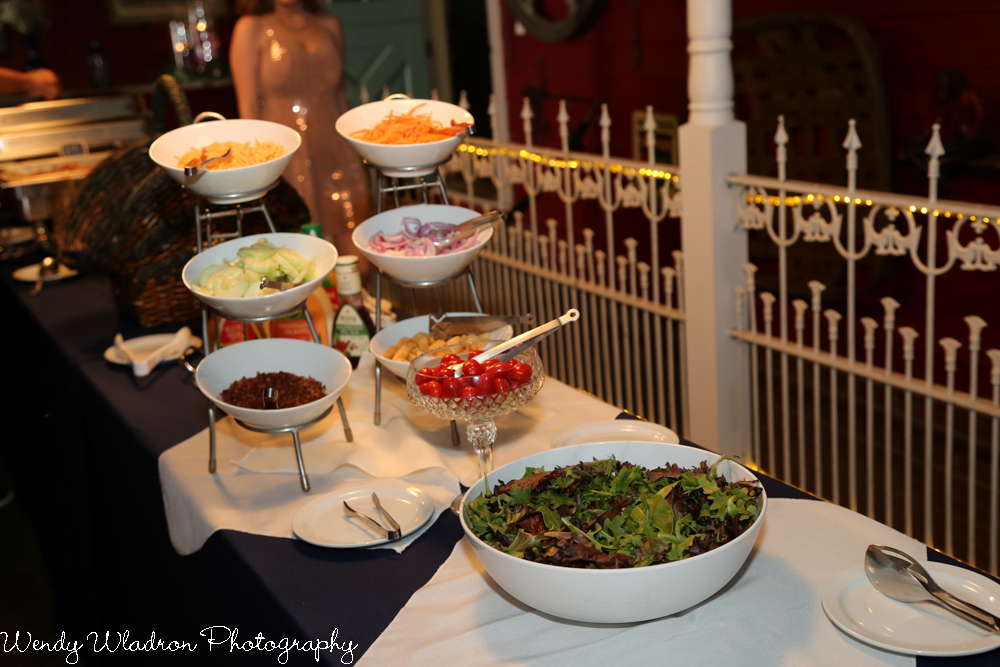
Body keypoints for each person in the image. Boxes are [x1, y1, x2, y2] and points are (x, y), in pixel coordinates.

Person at [230, 0, 372, 259]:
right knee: (302, 255)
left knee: (359, 258)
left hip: (337, 152)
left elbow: (341, 96)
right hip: (285, 157)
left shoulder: (329, 23)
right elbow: (247, 111)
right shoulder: (250, 28)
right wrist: (257, 171)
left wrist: (359, 146)